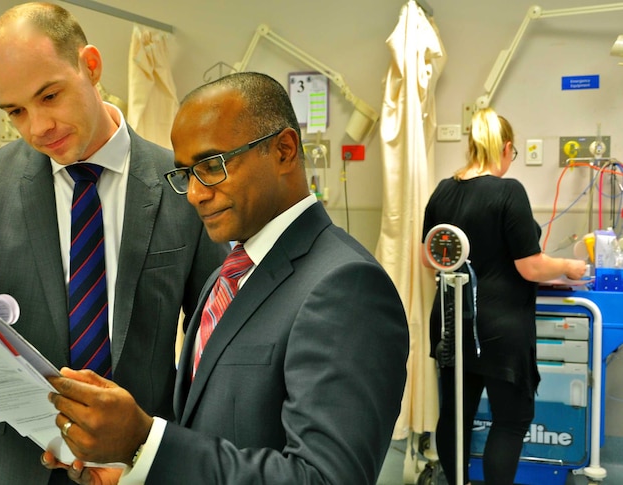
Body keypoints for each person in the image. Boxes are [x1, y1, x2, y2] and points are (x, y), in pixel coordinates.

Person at [41, 71, 410, 484]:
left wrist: (144, 440)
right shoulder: (227, 276)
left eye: (211, 165)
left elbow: (323, 478)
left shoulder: (345, 286)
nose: (196, 193)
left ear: (284, 150)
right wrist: (132, 465)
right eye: (185, 174)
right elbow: (208, 433)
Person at [0, 3, 229, 484]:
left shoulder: (180, 184)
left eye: (49, 96)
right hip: (8, 463)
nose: (37, 127)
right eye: (16, 112)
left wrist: (190, 450)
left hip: (133, 460)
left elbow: (215, 336)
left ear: (90, 65)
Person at [421, 108, 587, 485]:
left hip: (451, 323)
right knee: (511, 419)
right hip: (499, 328)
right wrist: (566, 266)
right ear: (507, 148)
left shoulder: (443, 190)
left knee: (455, 415)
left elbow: (428, 257)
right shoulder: (508, 192)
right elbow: (530, 267)